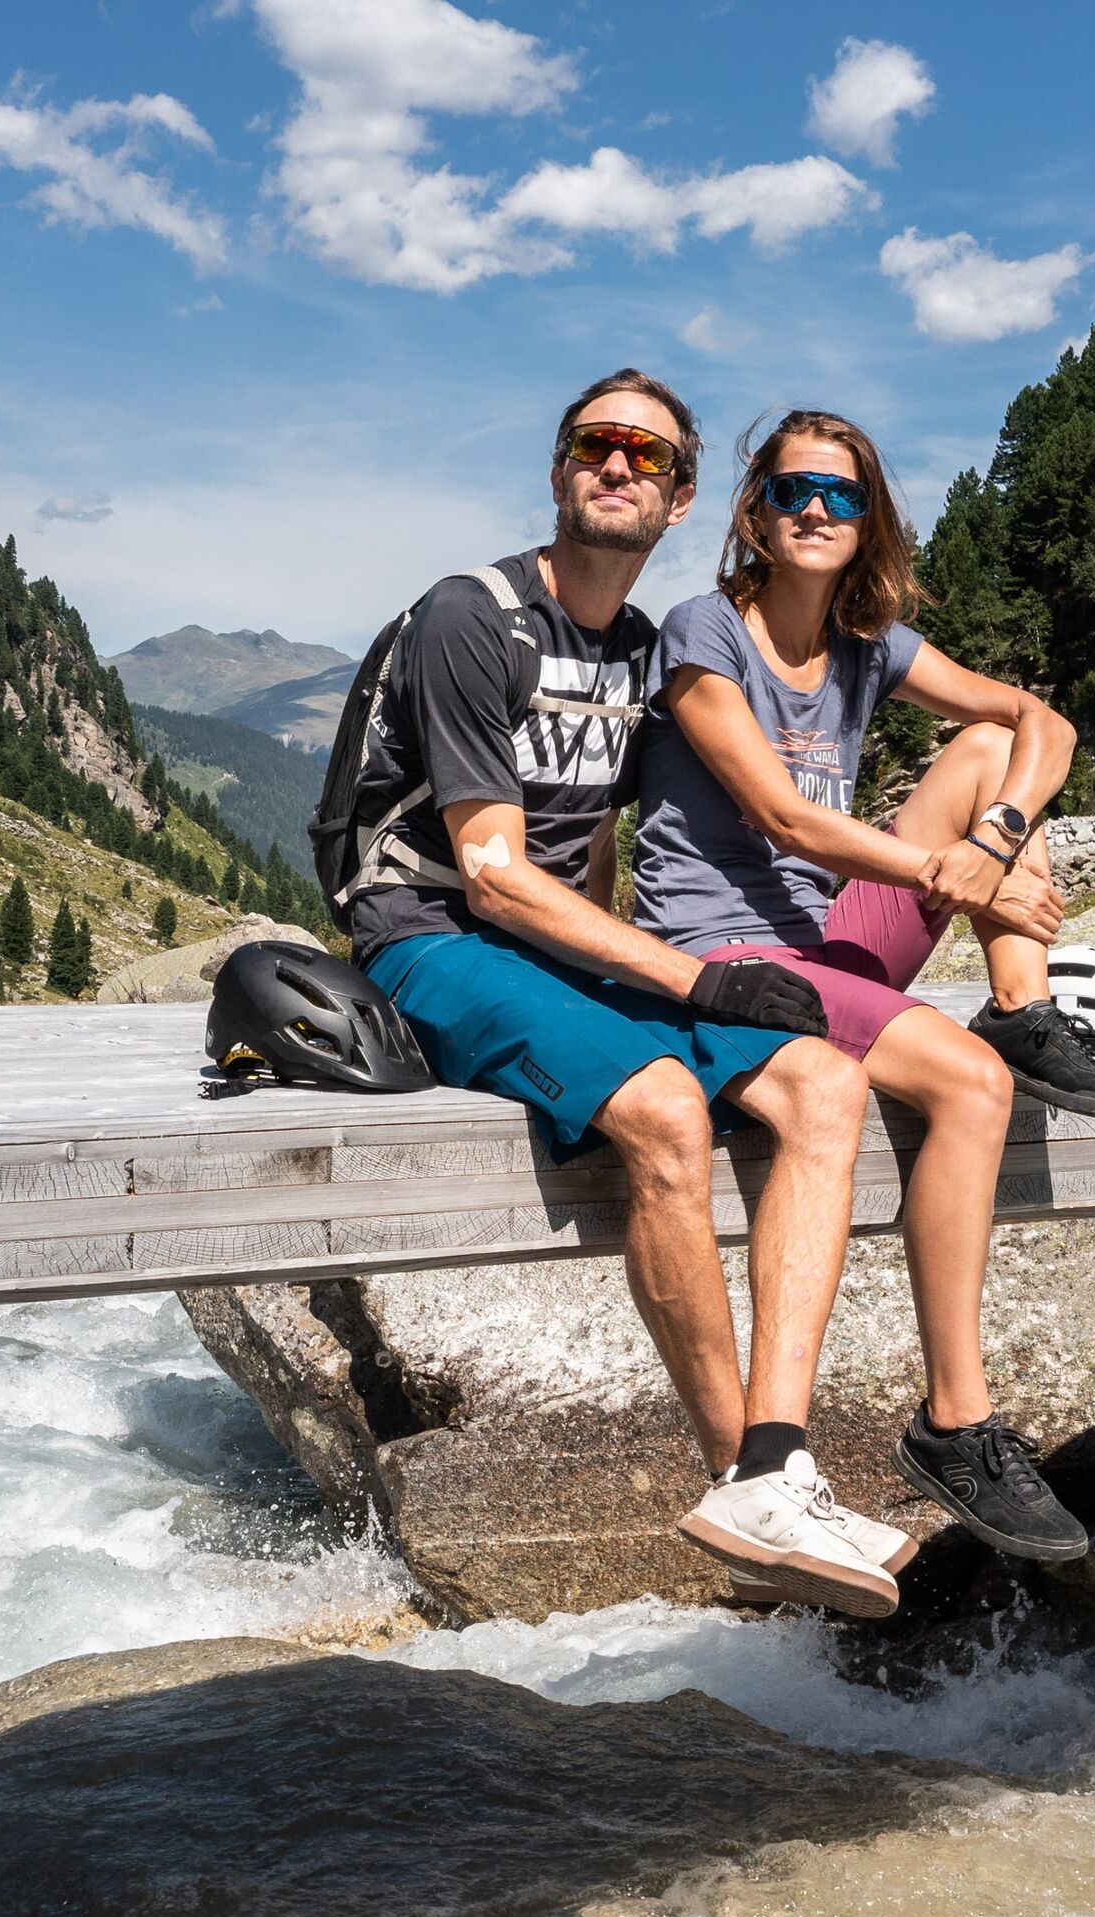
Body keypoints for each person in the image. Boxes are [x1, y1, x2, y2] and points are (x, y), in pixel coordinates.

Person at [346, 369, 918, 1618]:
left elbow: (592, 845)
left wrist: (625, 963)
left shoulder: (632, 650)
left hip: (556, 945)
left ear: (680, 498)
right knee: (662, 1106)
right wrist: (698, 975)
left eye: (647, 456)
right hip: (426, 930)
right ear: (559, 468)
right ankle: (739, 1485)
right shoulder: (473, 615)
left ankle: (780, 1459)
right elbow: (495, 874)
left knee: (823, 1081)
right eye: (596, 444)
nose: (618, 466)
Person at [632, 408, 1095, 1564]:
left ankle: (1020, 1005)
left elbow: (1040, 723)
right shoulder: (703, 631)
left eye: (841, 495)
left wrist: (994, 838)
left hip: (826, 938)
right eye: (792, 489)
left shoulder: (871, 644)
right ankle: (954, 1419)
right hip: (727, 958)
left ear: (867, 522)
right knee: (968, 1087)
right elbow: (783, 817)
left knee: (989, 751)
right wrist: (959, 874)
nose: (815, 509)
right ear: (753, 511)